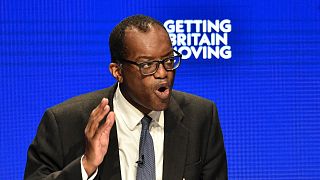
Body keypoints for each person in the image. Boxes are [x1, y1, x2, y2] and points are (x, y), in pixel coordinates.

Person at [24, 15, 227, 180]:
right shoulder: (64, 122)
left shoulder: (201, 117)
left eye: (168, 60)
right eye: (147, 65)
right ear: (117, 71)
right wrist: (86, 165)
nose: (163, 73)